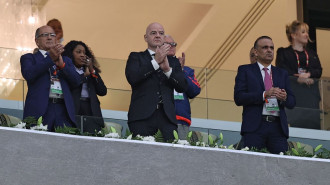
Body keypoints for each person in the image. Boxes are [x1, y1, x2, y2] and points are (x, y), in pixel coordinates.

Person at [125, 22, 188, 141]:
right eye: (153, 33)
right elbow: (132, 78)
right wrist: (155, 62)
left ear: (164, 38)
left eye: (161, 33)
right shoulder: (136, 57)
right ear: (145, 38)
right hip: (141, 117)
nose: (158, 35)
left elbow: (183, 87)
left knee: (167, 157)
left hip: (167, 119)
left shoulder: (173, 62)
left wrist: (168, 70)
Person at [234, 36, 296, 154]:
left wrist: (284, 97)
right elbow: (239, 97)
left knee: (280, 166)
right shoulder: (245, 70)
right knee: (252, 164)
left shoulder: (281, 73)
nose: (269, 50)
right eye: (265, 47)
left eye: (272, 48)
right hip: (255, 127)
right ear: (256, 52)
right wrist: (264, 94)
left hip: (277, 127)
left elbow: (292, 102)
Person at [20, 25, 80, 131]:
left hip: (63, 110)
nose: (49, 37)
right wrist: (50, 59)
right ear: (37, 41)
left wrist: (62, 66)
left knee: (63, 145)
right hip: (40, 109)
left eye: (52, 35)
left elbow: (77, 81)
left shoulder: (66, 60)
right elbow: (29, 74)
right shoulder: (29, 58)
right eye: (45, 35)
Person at [276, 20, 322, 129]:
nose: (307, 35)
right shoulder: (283, 52)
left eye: (307, 32)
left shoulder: (311, 53)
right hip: (293, 96)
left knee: (313, 128)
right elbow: (282, 70)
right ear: (293, 35)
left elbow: (319, 70)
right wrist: (298, 79)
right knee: (295, 128)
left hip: (311, 98)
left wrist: (309, 74)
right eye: (303, 32)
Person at [62, 41, 107, 133]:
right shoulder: (67, 70)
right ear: (70, 54)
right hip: (74, 108)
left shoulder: (90, 71)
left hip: (91, 110)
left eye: (84, 53)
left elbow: (102, 91)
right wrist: (84, 76)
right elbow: (71, 86)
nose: (82, 55)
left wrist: (92, 70)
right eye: (78, 52)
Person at [164, 35, 201, 140]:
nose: (171, 46)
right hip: (161, 118)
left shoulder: (187, 70)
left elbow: (195, 90)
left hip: (180, 120)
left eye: (173, 44)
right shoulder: (157, 66)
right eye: (167, 44)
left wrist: (181, 71)